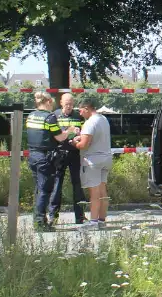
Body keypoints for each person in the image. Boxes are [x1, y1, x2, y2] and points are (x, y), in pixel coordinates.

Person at [25, 92, 69, 231]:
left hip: (33, 155)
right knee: (45, 190)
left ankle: (38, 218)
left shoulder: (31, 115)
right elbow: (60, 137)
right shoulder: (50, 118)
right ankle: (40, 223)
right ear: (49, 101)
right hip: (45, 157)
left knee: (38, 188)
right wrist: (70, 130)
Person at [74, 100, 113, 230]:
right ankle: (102, 220)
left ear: (86, 108)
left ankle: (93, 222)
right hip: (106, 158)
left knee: (94, 192)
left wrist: (74, 142)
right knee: (103, 190)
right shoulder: (103, 119)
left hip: (93, 161)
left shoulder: (89, 122)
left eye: (80, 110)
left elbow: (84, 145)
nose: (80, 113)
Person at [50, 93, 86, 225]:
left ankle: (80, 217)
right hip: (59, 153)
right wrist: (69, 130)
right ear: (61, 103)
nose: (69, 106)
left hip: (74, 153)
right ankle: (53, 216)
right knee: (57, 185)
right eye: (66, 103)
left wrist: (79, 136)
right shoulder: (55, 115)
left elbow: (84, 132)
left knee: (77, 185)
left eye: (71, 103)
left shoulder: (78, 116)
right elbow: (53, 134)